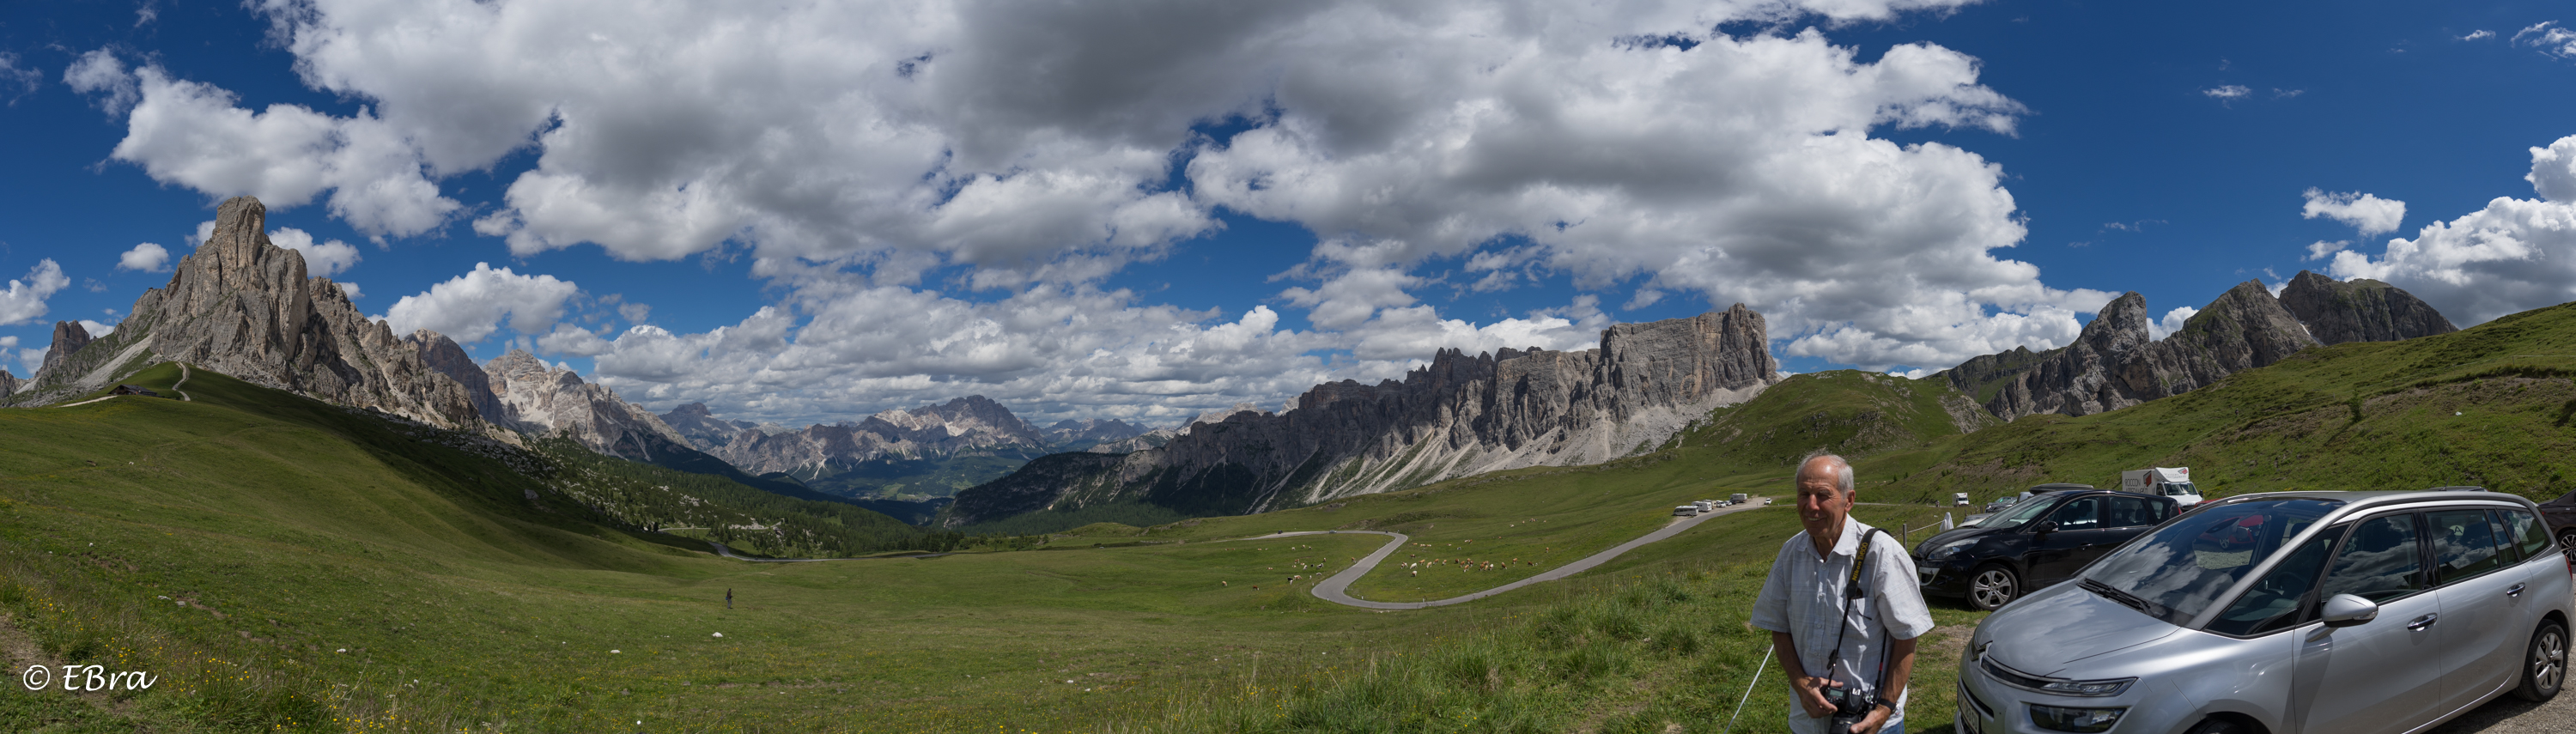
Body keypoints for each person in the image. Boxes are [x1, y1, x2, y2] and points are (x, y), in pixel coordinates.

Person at [1750, 454, 1934, 734]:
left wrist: (1884, 710)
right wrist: (1800, 684)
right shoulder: (1791, 553)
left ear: (1849, 500)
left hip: (1871, 723)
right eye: (1804, 494)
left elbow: (1907, 635)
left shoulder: (1881, 553)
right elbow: (1779, 626)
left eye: (1823, 495)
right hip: (1807, 722)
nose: (1811, 506)